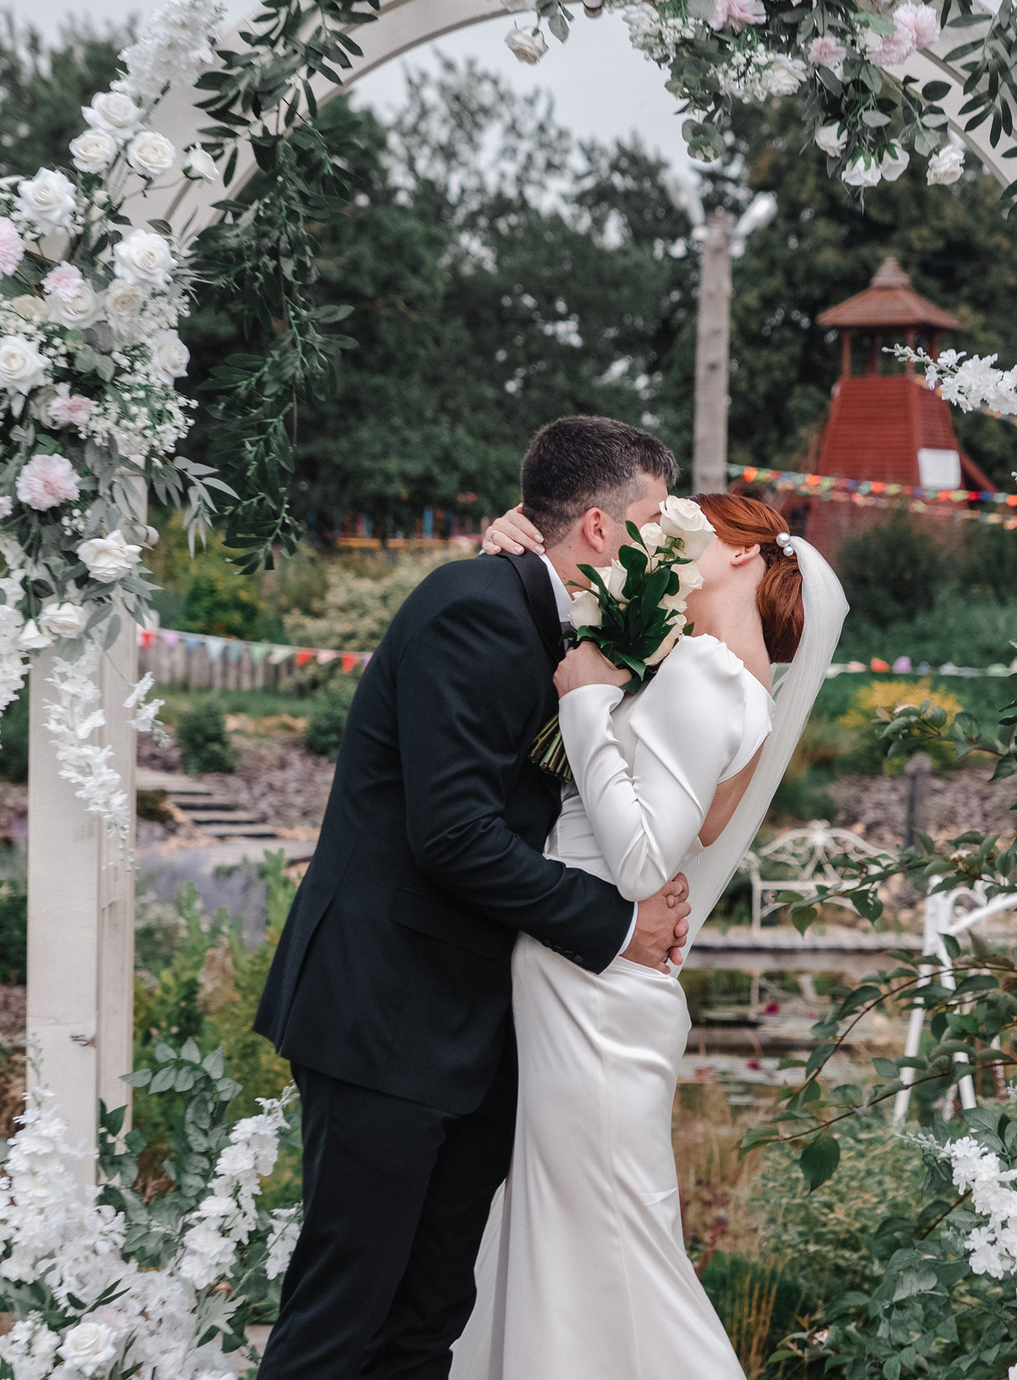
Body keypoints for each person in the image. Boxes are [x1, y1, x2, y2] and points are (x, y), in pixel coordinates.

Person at [251, 416, 696, 1380]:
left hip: (473, 1031)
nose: (672, 540)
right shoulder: (472, 605)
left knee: (427, 1316)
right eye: (657, 519)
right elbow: (450, 833)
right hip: (385, 1009)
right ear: (596, 528)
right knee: (342, 1313)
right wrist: (618, 927)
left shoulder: (577, 625)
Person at [448, 493, 846, 1380]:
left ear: (743, 555)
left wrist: (588, 704)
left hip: (594, 994)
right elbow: (682, 827)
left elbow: (638, 863)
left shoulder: (713, 674)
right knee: (571, 1244)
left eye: (687, 528)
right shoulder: (705, 666)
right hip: (577, 983)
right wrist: (520, 550)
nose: (661, 542)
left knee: (611, 1249)